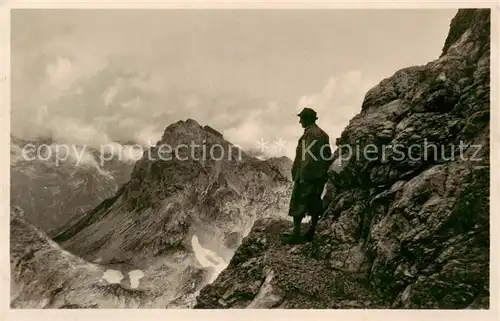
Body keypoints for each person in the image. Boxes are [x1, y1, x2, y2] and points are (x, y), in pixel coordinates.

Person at [281, 107, 333, 244]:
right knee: (314, 202)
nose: (299, 121)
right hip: (319, 175)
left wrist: (302, 176)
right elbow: (327, 155)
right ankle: (312, 231)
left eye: (301, 118)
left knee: (297, 202)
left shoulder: (310, 134)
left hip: (307, 175)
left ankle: (296, 234)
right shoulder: (323, 134)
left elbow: (307, 158)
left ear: (307, 119)